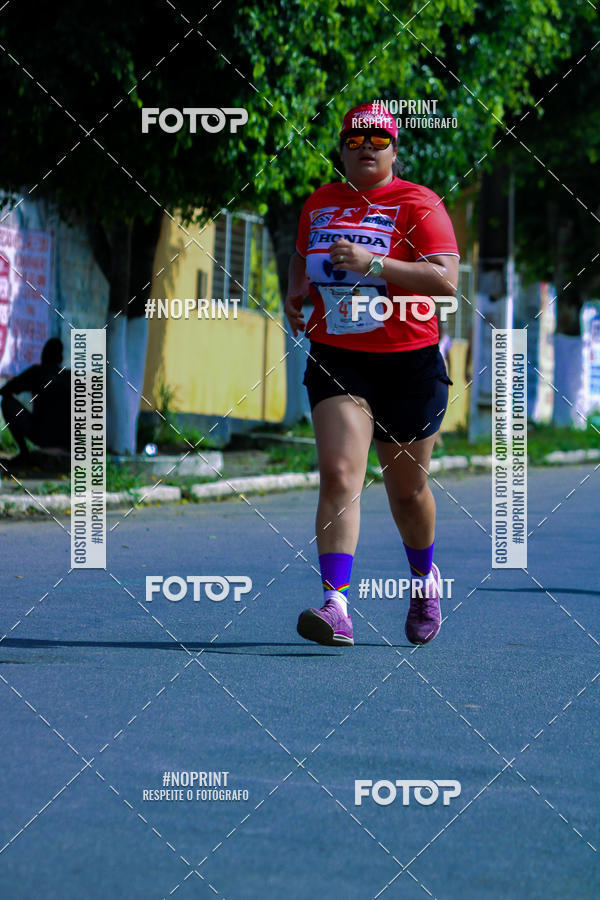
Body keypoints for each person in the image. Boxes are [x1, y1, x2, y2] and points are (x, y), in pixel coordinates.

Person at [285, 101, 459, 647]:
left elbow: (446, 280)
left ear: (394, 150)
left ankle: (424, 579)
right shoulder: (320, 203)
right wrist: (294, 293)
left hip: (409, 359)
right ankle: (336, 604)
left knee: (407, 494)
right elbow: (301, 256)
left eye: (378, 140)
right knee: (340, 475)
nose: (365, 148)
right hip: (340, 355)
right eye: (355, 140)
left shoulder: (418, 202)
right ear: (340, 147)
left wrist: (374, 264)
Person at [0, 337, 70, 462]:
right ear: (60, 358)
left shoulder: (37, 372)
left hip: (42, 435)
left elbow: (5, 390)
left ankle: (24, 452)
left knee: (7, 402)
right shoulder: (69, 377)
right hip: (67, 439)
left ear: (43, 355)